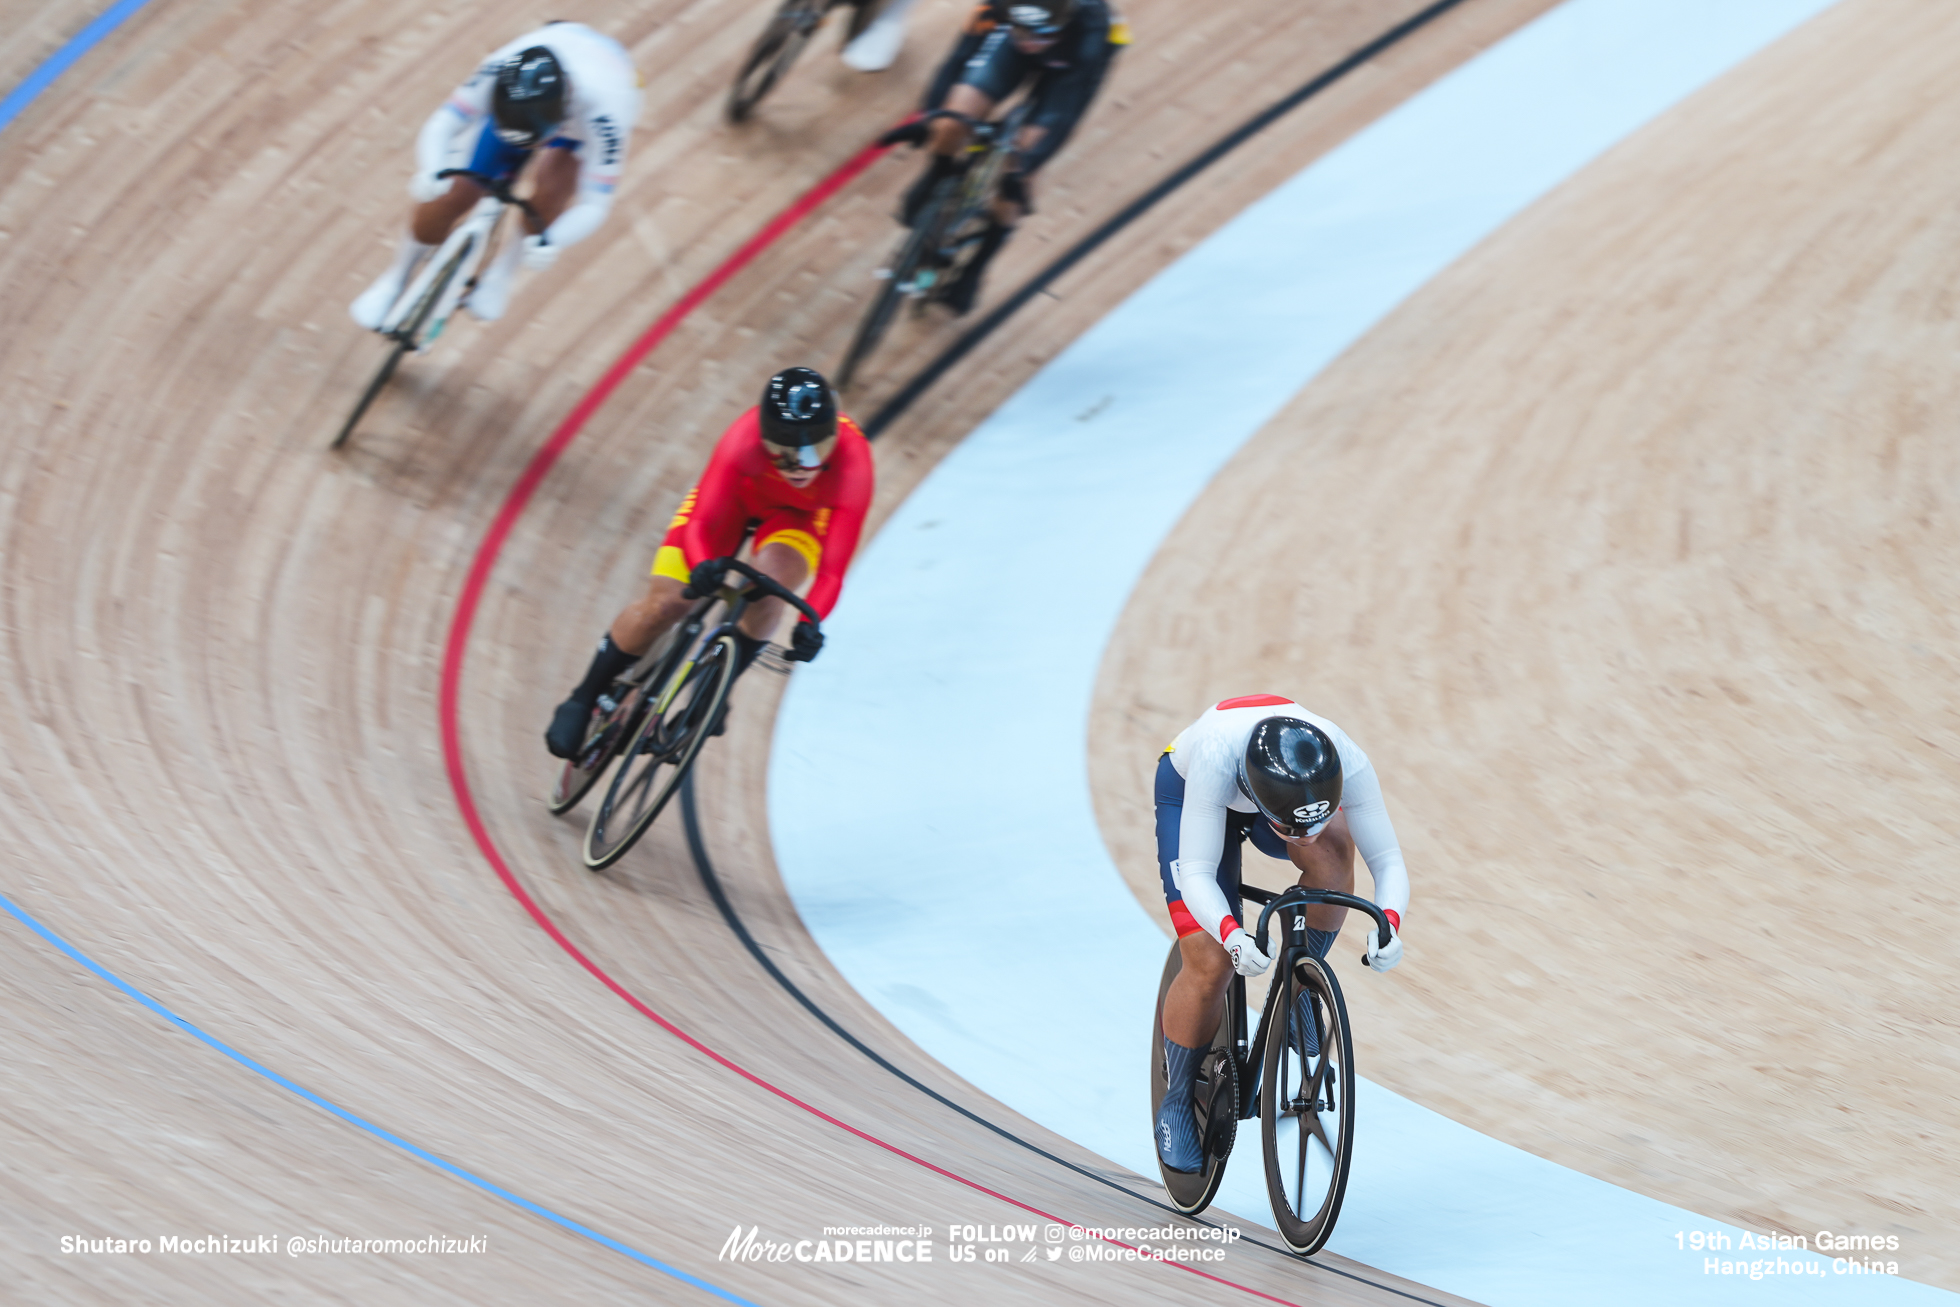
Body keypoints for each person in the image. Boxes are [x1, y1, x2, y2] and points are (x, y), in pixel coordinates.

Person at [545, 367, 873, 759]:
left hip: (798, 520)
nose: (798, 466)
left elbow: (833, 573)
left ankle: (716, 692)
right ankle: (582, 697)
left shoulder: (854, 467)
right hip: (734, 501)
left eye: (813, 453)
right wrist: (702, 565)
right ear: (763, 438)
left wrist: (809, 621)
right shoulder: (743, 439)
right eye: (783, 454)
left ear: (833, 439)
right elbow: (699, 522)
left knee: (768, 593)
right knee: (668, 605)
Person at [1153, 696, 1410, 1174]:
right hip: (1191, 790)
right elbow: (1196, 874)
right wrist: (1230, 934)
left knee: (1333, 855)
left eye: (1313, 822)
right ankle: (1178, 1098)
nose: (1305, 839)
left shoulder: (1346, 758)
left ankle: (1297, 992)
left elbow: (1389, 861)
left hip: (1271, 800)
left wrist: (1390, 922)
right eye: (1297, 831)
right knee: (1210, 962)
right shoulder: (1215, 756)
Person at [350, 22, 640, 331]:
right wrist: (432, 169)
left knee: (552, 192)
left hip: (589, 115)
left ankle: (503, 273)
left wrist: (550, 240)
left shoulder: (607, 116)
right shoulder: (501, 67)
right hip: (530, 103)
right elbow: (445, 122)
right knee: (453, 193)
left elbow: (595, 204)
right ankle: (394, 279)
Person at [876, 0, 1126, 313]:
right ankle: (935, 174)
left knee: (1023, 161)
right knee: (955, 118)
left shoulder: (1093, 31)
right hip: (1011, 47)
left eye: (1042, 36)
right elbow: (959, 59)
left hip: (1069, 66)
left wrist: (1022, 172)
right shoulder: (999, 6)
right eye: (1024, 33)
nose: (1032, 44)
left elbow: (1065, 118)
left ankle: (976, 268)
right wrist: (931, 120)